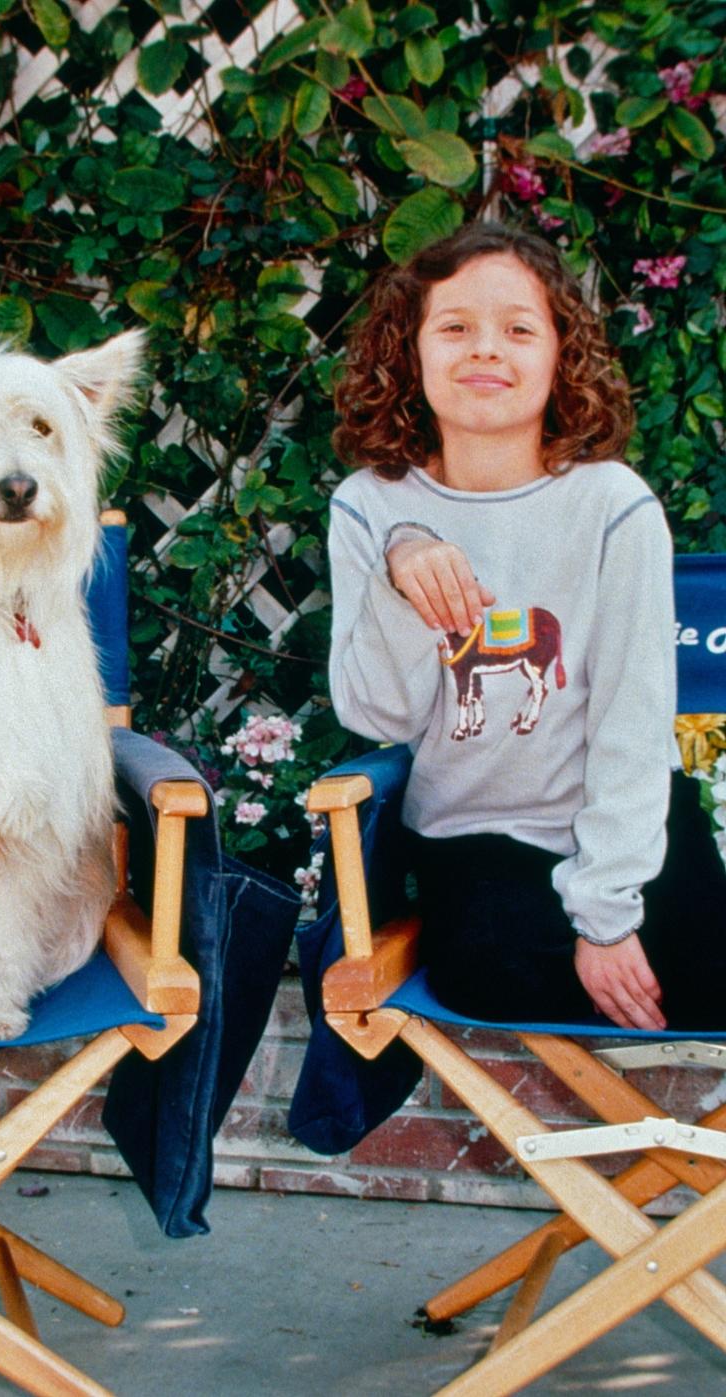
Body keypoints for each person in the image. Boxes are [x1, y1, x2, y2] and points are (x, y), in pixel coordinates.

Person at [328, 220, 726, 1033]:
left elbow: (631, 720)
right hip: (472, 839)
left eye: (518, 329)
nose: (485, 350)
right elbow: (376, 717)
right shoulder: (369, 507)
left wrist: (607, 913)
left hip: (624, 826)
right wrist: (403, 568)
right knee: (491, 977)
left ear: (559, 356)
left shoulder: (615, 507)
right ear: (410, 350)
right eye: (455, 327)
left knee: (707, 984)